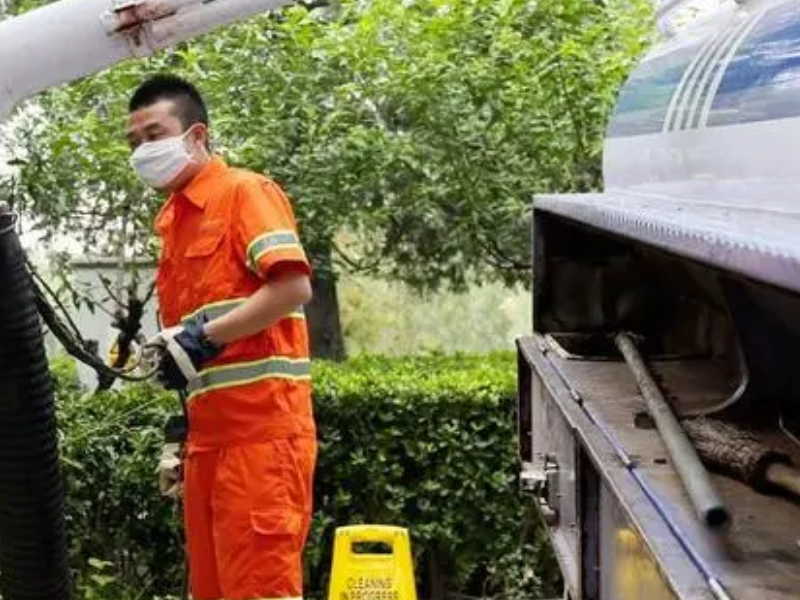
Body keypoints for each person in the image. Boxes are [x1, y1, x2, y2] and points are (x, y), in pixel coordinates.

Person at [126, 74, 317, 600]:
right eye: (134, 142)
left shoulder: (242, 192)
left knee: (258, 591)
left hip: (261, 439)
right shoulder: (174, 221)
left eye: (154, 133)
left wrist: (200, 339)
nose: (144, 149)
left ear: (196, 135)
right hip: (209, 443)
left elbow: (293, 287)